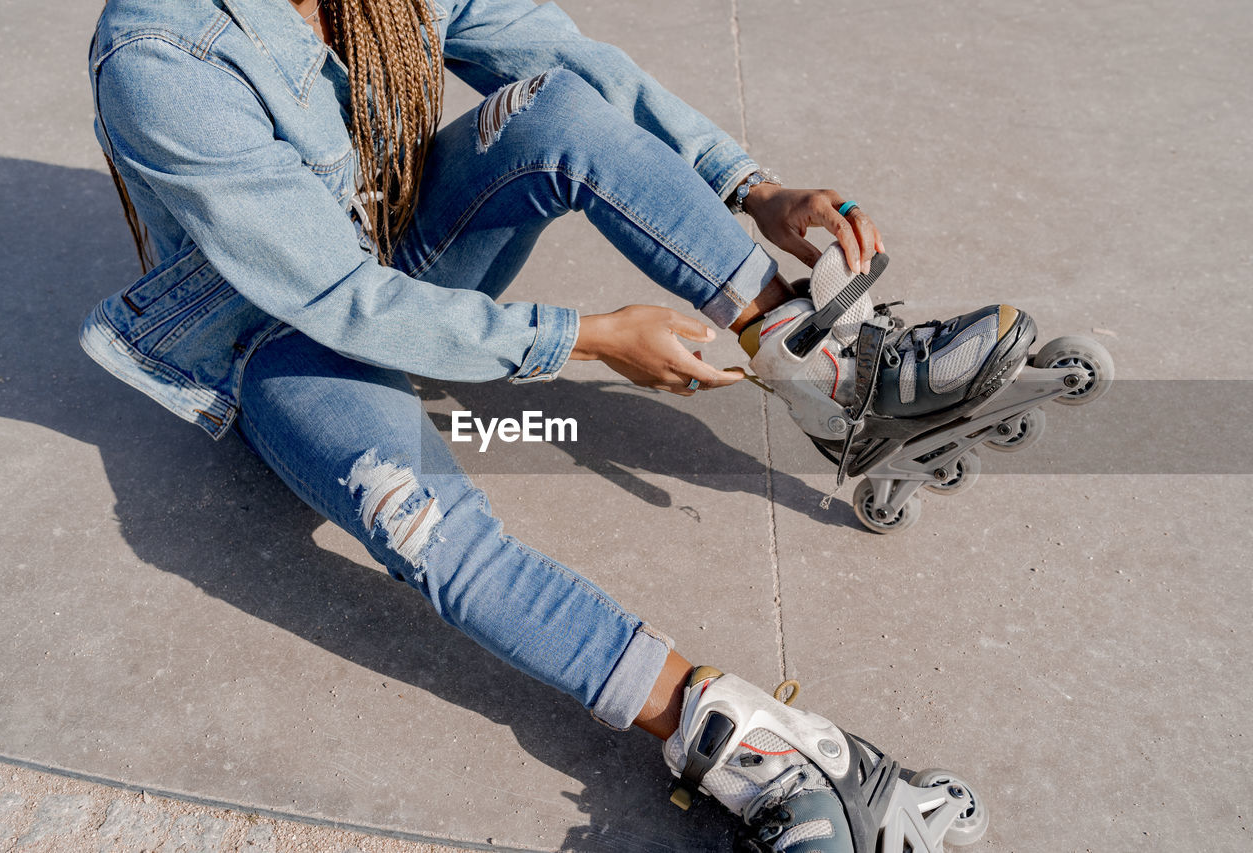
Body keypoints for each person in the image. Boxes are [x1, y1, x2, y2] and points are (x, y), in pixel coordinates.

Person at [84, 1, 1009, 848]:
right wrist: (587, 340)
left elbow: (560, 56)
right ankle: (756, 746)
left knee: (555, 109)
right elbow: (335, 297)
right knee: (428, 523)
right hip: (275, 335)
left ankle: (833, 373)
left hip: (392, 246)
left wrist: (753, 187)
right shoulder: (160, 57)